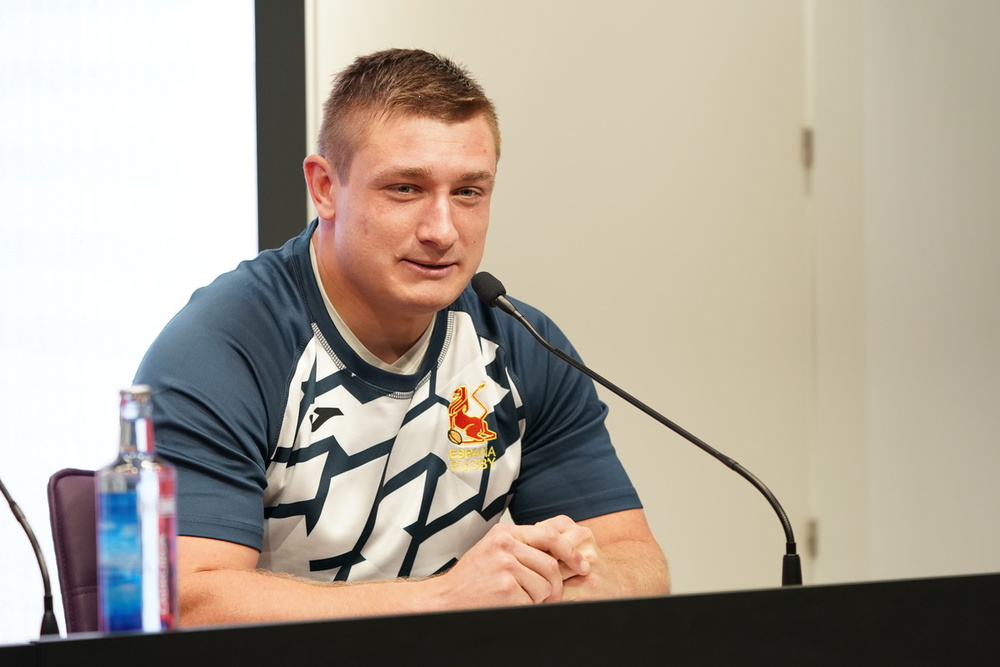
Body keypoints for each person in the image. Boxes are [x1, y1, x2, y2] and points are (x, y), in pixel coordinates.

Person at [134, 48, 670, 625]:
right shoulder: (225, 346)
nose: (442, 231)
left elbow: (640, 566)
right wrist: (443, 601)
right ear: (324, 188)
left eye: (468, 192)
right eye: (405, 189)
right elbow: (187, 602)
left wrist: (557, 575)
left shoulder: (519, 343)